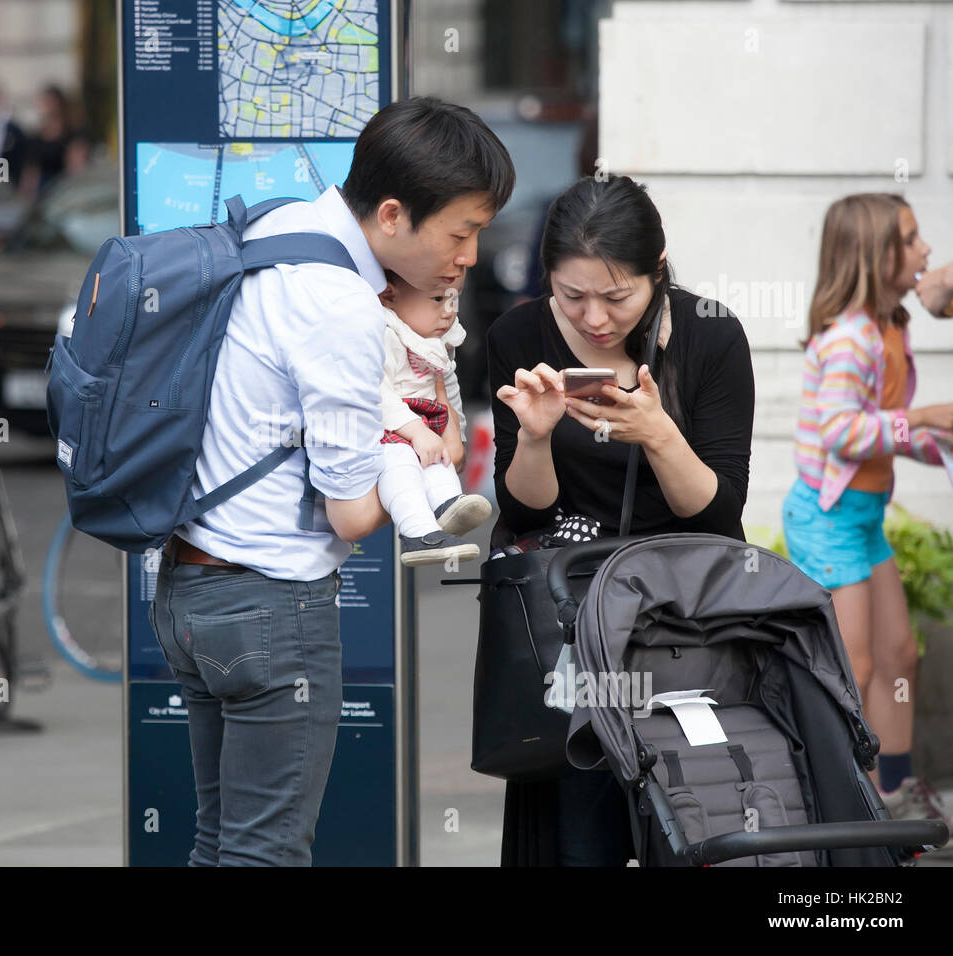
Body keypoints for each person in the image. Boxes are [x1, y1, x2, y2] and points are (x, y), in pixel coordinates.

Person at [149, 97, 514, 866]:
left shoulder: (276, 227)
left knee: (219, 841)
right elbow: (351, 515)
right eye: (460, 231)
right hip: (269, 609)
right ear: (391, 214)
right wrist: (428, 451)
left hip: (187, 587)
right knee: (265, 853)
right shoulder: (343, 308)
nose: (470, 257)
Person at [487, 173, 755, 865]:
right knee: (585, 826)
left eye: (617, 296)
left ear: (656, 271)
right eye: (572, 296)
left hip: (685, 622)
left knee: (693, 820)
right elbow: (522, 510)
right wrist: (538, 436)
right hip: (571, 625)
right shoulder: (520, 332)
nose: (595, 319)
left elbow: (722, 515)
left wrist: (660, 434)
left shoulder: (710, 336)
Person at [781, 193, 953, 838]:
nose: (926, 250)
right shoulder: (851, 336)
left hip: (862, 517)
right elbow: (841, 431)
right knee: (853, 667)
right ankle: (834, 800)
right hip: (826, 519)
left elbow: (886, 432)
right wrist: (928, 417)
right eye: (911, 239)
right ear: (876, 256)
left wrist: (934, 444)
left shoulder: (891, 327)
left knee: (899, 656)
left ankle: (895, 790)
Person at [376, 272, 492, 566]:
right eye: (438, 299)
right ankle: (418, 533)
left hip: (425, 425)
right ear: (390, 296)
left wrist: (458, 437)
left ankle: (447, 505)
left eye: (454, 299)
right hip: (389, 428)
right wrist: (415, 431)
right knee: (399, 464)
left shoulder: (436, 338)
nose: (449, 311)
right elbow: (375, 390)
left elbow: (450, 392)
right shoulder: (384, 332)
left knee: (438, 462)